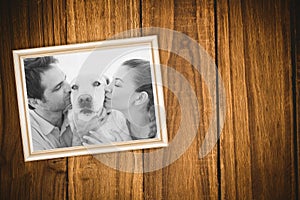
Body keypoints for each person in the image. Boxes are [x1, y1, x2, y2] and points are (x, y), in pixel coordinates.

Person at [83, 59, 157, 144]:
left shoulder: (163, 134)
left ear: (139, 98)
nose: (106, 88)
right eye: (112, 81)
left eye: (117, 84)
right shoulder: (110, 123)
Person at [24, 56, 73, 151]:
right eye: (58, 87)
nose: (69, 88)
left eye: (65, 79)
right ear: (34, 102)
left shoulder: (75, 106)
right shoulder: (28, 139)